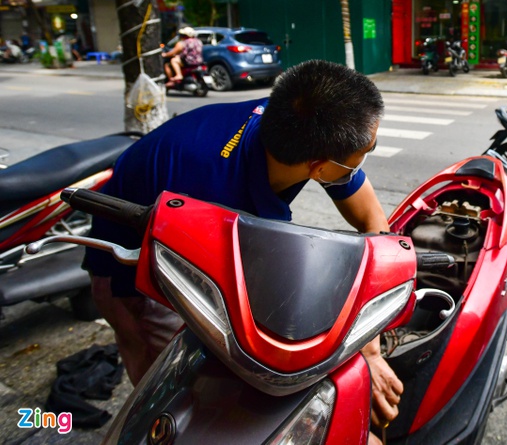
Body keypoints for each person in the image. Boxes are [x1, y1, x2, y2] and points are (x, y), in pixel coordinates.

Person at [83, 60, 403, 436]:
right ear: (319, 168)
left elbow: (372, 220)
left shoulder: (290, 122)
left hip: (184, 223)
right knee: (177, 396)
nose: (367, 153)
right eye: (368, 149)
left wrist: (370, 348)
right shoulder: (216, 196)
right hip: (135, 273)